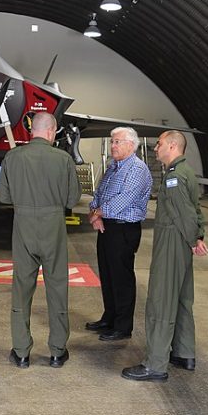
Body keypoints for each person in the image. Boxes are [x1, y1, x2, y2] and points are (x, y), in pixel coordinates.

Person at [122, 130, 208, 382]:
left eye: (159, 144)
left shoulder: (175, 177)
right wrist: (197, 236)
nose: (156, 148)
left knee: (160, 302)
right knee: (182, 299)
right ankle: (183, 353)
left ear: (172, 146)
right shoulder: (186, 173)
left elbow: (185, 214)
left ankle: (155, 364)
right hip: (181, 240)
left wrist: (194, 239)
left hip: (173, 241)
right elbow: (196, 209)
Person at [0, 112, 82, 369]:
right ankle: (57, 351)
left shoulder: (12, 157)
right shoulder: (63, 159)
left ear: (31, 130)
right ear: (52, 131)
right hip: (53, 226)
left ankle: (21, 352)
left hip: (23, 226)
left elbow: (3, 197)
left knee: (21, 289)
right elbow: (72, 199)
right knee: (57, 287)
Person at [86, 127, 152, 341]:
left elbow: (124, 199)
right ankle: (110, 317)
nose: (113, 146)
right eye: (112, 141)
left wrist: (98, 213)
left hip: (123, 228)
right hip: (107, 226)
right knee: (107, 274)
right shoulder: (113, 167)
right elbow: (99, 193)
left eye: (117, 142)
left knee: (121, 277)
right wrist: (95, 214)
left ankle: (123, 326)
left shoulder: (137, 169)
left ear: (131, 145)